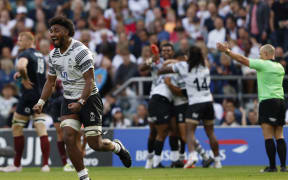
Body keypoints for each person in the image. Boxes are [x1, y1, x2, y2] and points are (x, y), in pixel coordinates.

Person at [32, 16, 131, 180]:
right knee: (68, 137)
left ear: (67, 32)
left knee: (96, 144)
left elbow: (90, 80)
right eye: (51, 31)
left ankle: (117, 147)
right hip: (69, 99)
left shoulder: (81, 51)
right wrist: (41, 102)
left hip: (89, 99)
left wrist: (81, 102)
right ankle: (84, 177)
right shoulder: (53, 55)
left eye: (56, 30)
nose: (52, 34)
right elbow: (50, 82)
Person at [217, 42, 287, 172]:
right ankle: (283, 166)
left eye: (260, 54)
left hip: (268, 101)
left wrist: (227, 51)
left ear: (266, 54)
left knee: (268, 136)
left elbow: (242, 59)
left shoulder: (263, 64)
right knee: (279, 135)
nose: (259, 57)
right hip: (281, 102)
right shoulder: (280, 67)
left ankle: (272, 167)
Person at [158, 46, 222, 169]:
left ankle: (192, 156)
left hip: (195, 103)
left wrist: (163, 69)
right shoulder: (205, 66)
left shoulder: (183, 66)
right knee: (211, 133)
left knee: (189, 131)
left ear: (189, 56)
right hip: (208, 101)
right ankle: (218, 161)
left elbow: (164, 70)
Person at [0, 32, 50, 172]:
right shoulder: (39, 55)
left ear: (29, 41)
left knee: (17, 127)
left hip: (28, 96)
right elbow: (36, 72)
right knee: (41, 128)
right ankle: (45, 165)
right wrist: (20, 75)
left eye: (21, 40)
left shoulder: (25, 54)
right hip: (41, 95)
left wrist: (24, 78)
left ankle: (17, 165)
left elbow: (22, 67)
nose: (18, 42)